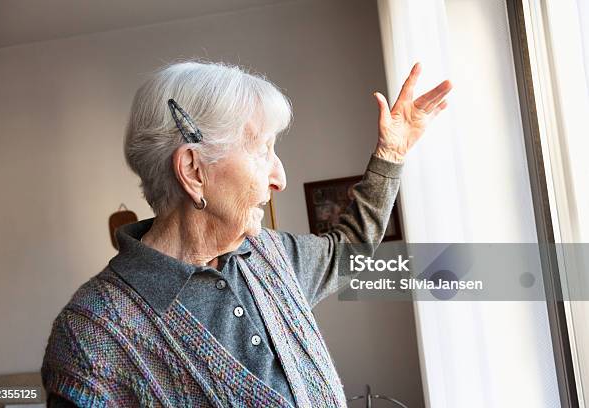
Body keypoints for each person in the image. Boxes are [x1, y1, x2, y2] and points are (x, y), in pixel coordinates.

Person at [41, 60, 451, 407]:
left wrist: (391, 154)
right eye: (262, 150)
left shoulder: (272, 256)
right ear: (193, 171)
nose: (280, 178)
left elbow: (349, 249)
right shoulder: (90, 338)